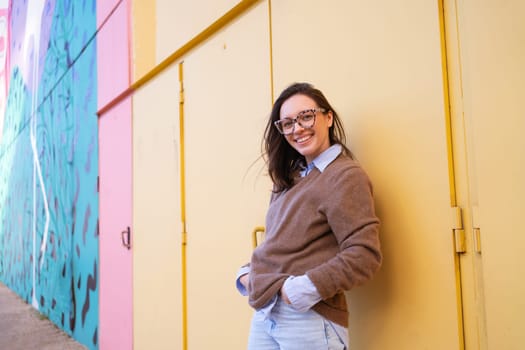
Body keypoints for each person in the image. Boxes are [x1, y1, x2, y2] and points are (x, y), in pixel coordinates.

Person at [236, 82, 382, 350]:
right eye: (288, 123)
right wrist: (251, 271)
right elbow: (283, 244)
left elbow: (364, 255)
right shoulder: (289, 178)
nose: (297, 129)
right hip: (267, 313)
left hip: (310, 319)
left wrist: (300, 290)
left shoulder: (345, 176)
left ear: (328, 117)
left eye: (306, 116)